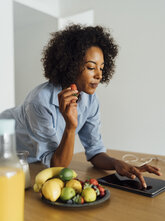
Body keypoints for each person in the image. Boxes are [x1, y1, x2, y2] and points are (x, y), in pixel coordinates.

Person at [0, 24, 161, 188]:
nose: (99, 75)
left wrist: (117, 164)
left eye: (101, 68)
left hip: (31, 161)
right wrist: (71, 126)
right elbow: (57, 167)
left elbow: (94, 151)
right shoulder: (39, 101)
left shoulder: (90, 101)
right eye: (91, 67)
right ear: (71, 65)